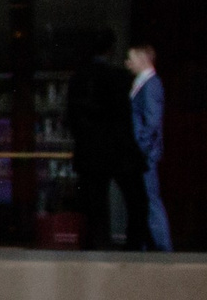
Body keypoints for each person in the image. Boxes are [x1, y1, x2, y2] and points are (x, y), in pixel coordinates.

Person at [67, 28, 143, 250]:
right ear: (111, 50)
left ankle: (94, 247)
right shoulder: (118, 78)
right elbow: (123, 117)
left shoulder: (78, 79)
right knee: (136, 202)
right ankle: (132, 249)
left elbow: (73, 118)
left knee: (94, 209)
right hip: (117, 150)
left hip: (91, 152)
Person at [128, 41, 170, 250]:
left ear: (143, 59)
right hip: (144, 153)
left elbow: (152, 122)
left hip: (145, 155)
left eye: (132, 59)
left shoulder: (151, 84)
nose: (128, 63)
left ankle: (163, 248)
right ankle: (150, 245)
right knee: (147, 201)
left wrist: (140, 148)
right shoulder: (145, 83)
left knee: (151, 201)